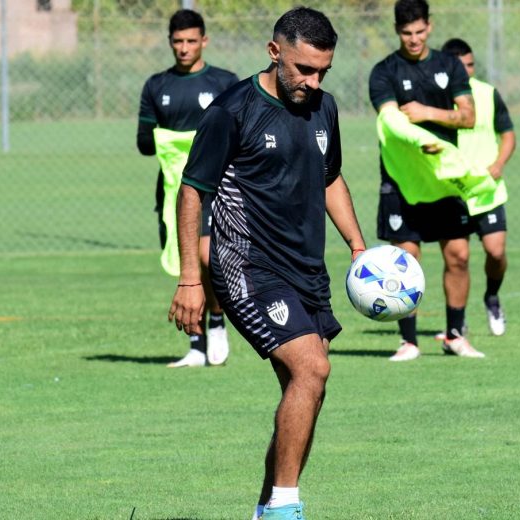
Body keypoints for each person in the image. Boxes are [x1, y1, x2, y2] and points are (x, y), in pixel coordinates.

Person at [167, 7, 365, 520]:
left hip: (307, 272)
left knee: (307, 392)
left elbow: (330, 177)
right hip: (247, 267)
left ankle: (264, 507)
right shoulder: (233, 110)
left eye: (323, 71)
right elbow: (191, 193)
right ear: (274, 52)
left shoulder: (324, 108)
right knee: (312, 368)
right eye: (303, 69)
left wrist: (359, 248)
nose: (313, 81)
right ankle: (284, 507)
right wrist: (192, 278)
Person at [369, 0, 486, 361]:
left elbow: (468, 117)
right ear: (396, 31)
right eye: (407, 33)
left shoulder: (449, 65)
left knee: (459, 256)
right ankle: (408, 341)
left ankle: (454, 335)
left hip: (445, 178)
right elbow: (389, 120)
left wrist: (427, 114)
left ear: (430, 27)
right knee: (406, 260)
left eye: (420, 31)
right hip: (402, 179)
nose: (414, 39)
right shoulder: (384, 71)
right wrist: (423, 139)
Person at [137, 9, 238, 367]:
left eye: (191, 41)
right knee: (187, 258)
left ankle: (216, 320)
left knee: (207, 256)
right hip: (174, 189)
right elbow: (145, 144)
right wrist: (173, 143)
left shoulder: (226, 82)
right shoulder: (156, 86)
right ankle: (195, 346)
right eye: (177, 41)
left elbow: (239, 135)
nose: (184, 48)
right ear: (169, 42)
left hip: (218, 188)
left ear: (204, 41)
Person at [441, 37, 516, 336]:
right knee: (458, 258)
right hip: (452, 192)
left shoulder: (487, 94)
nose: (468, 71)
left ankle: (492, 297)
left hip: (487, 190)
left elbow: (508, 134)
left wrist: (499, 163)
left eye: (471, 65)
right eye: (461, 67)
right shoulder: (436, 99)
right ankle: (457, 320)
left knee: (495, 252)